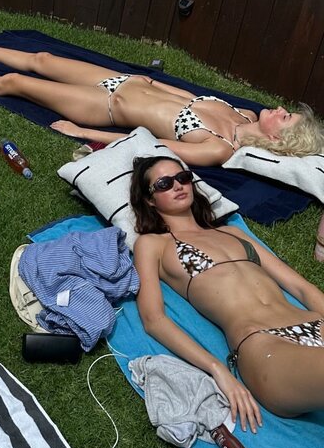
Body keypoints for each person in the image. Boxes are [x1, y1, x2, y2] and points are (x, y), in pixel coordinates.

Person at [0, 18, 323, 166]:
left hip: (105, 106)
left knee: (14, 85)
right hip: (126, 82)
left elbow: (146, 144)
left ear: (278, 140)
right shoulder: (244, 115)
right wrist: (145, 79)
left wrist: (84, 133)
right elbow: (178, 92)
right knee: (43, 57)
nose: (279, 108)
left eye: (285, 118)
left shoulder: (219, 148)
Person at [130, 155, 324, 430]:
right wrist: (216, 369)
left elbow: (301, 287)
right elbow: (154, 320)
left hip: (313, 324)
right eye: (164, 183)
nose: (178, 185)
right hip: (263, 343)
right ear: (149, 200)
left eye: (183, 177)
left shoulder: (234, 232)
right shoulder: (152, 245)